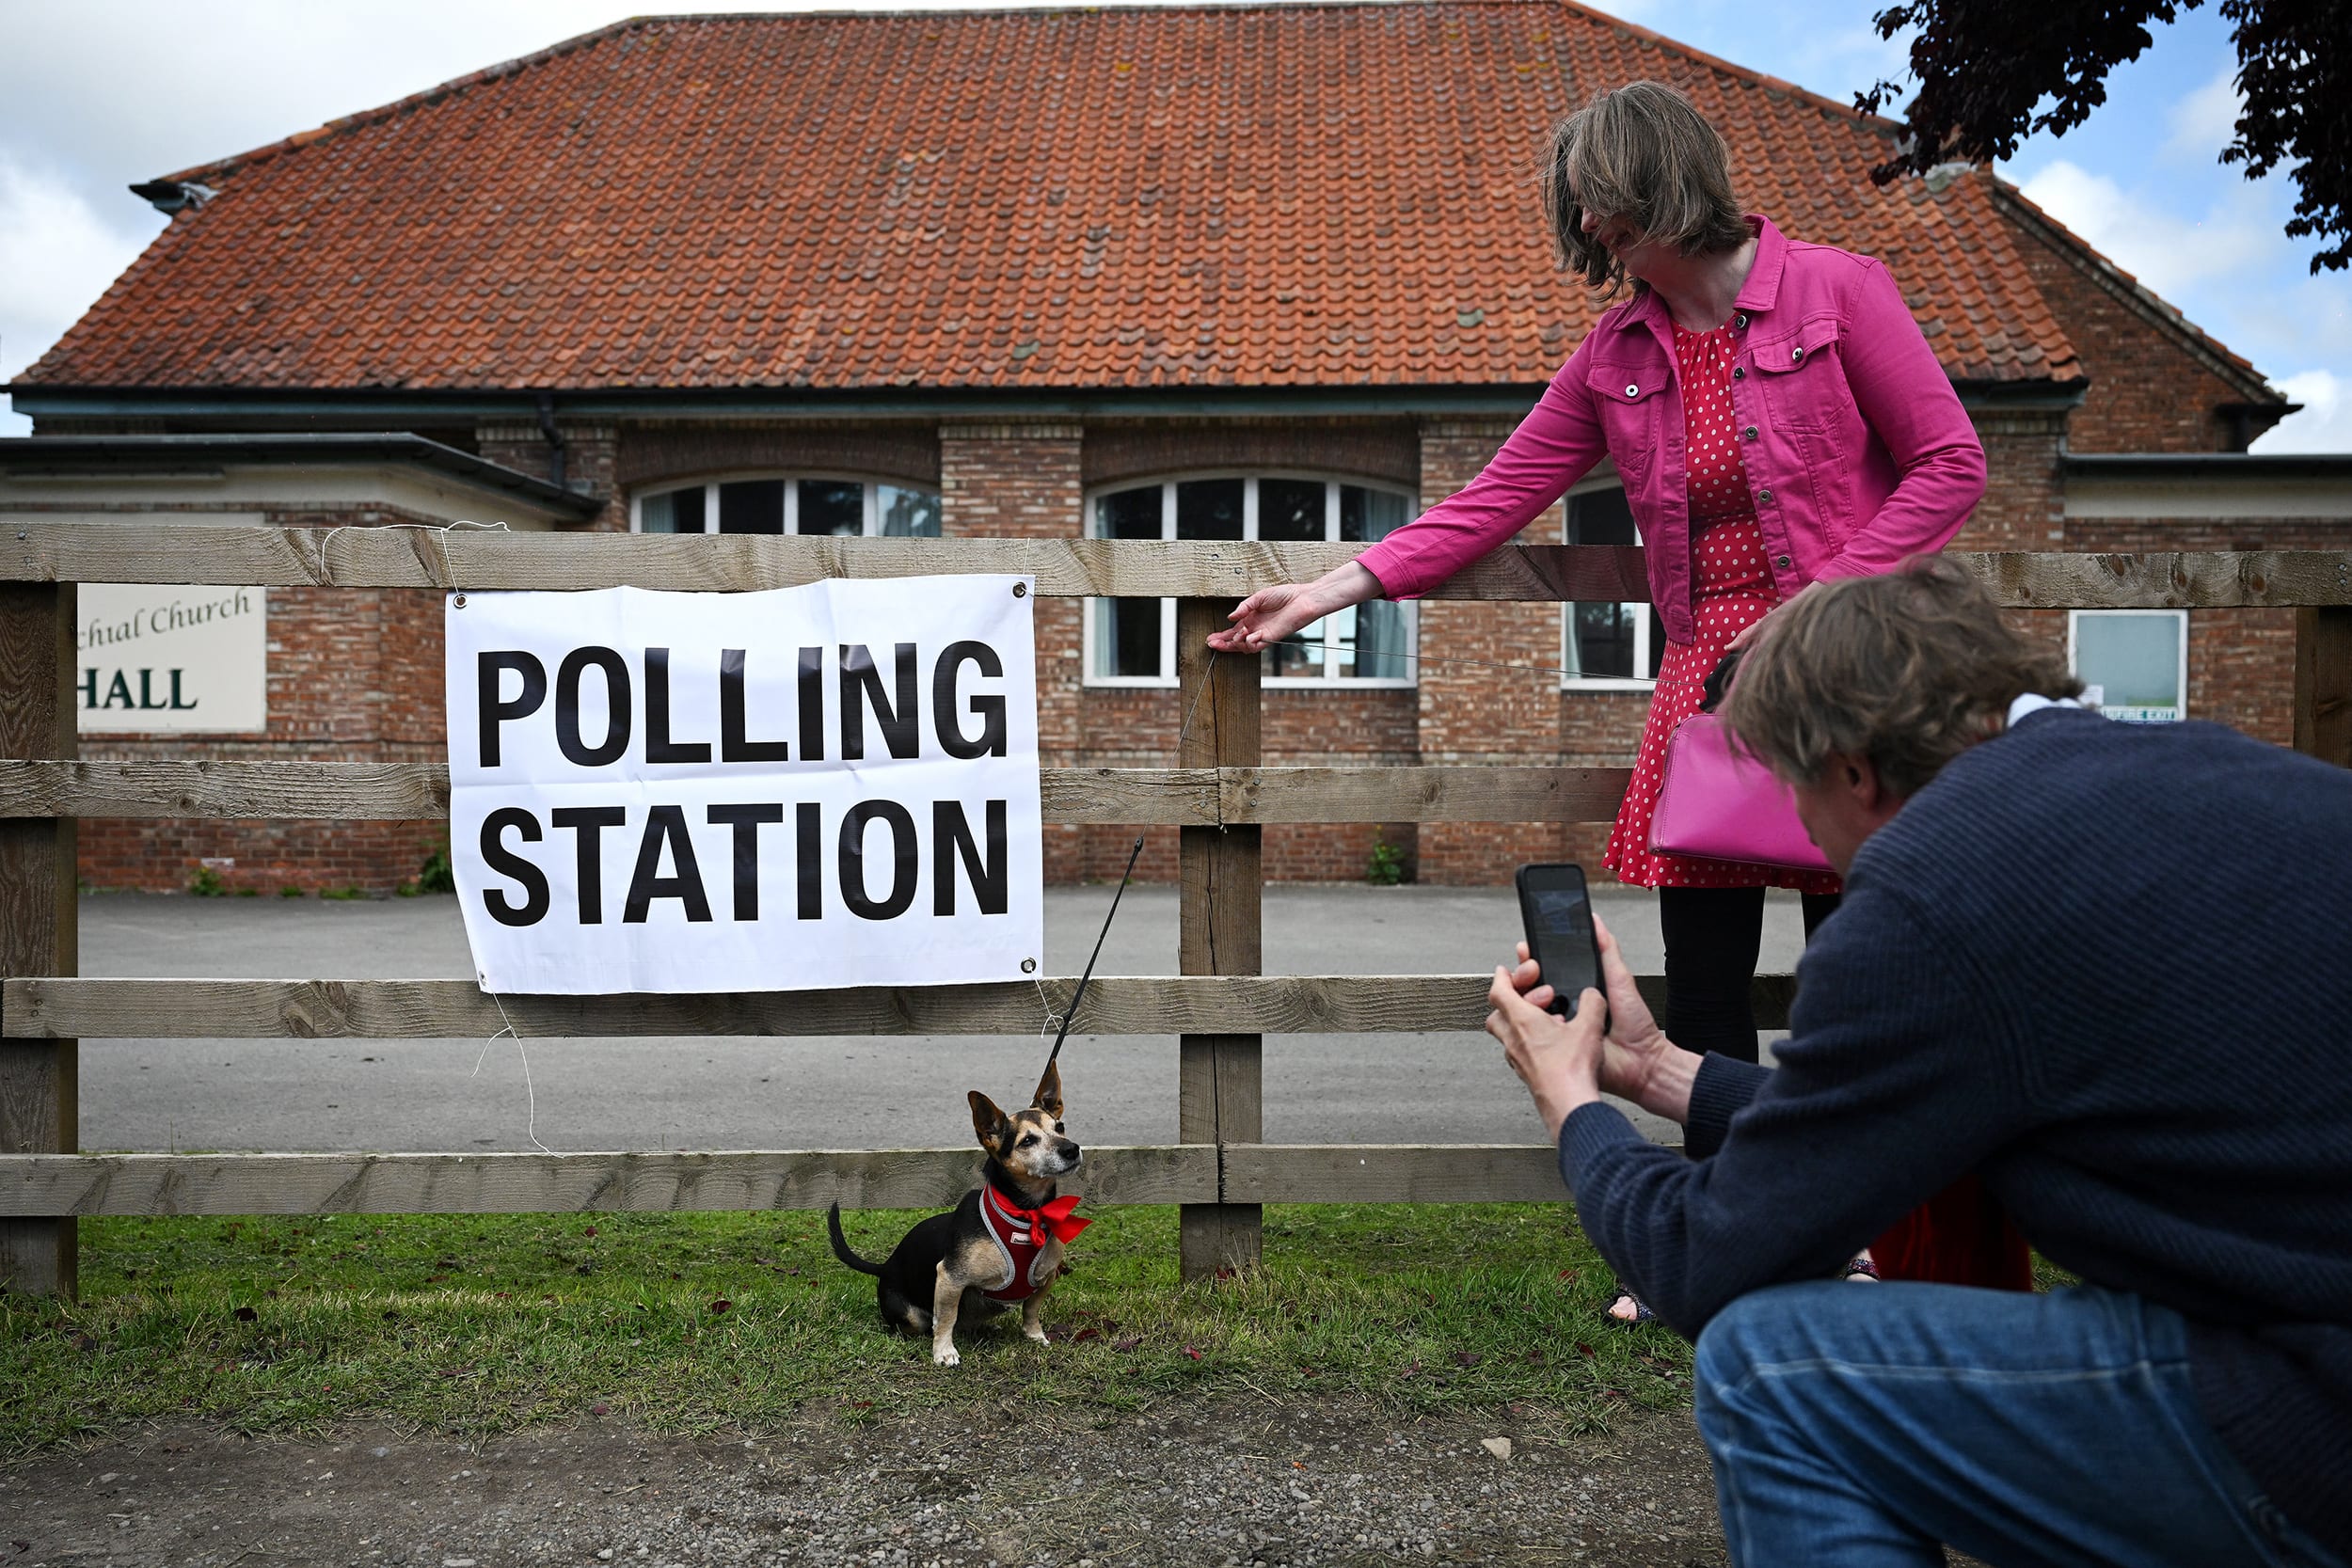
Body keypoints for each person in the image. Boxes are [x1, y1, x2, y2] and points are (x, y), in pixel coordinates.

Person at [1208, 79, 1999, 1318]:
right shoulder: (1616, 355)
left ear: (1660, 179)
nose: (1586, 222)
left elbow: (1951, 464)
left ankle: (1868, 1235)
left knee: (1858, 981)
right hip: (1710, 701)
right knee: (1707, 981)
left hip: (1852, 681)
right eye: (1577, 206)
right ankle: (1733, 1239)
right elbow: (1493, 497)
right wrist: (1330, 589)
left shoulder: (1841, 291)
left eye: (1600, 195)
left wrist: (1817, 602)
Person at [1485, 557, 2352, 1568]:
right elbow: (1893, 1118)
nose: (1802, 834)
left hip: (2313, 1415)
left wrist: (1573, 1103)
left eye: (1792, 791)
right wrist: (1657, 1066)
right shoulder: (2234, 771)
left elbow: (1702, 1261)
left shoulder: (1936, 891)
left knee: (1773, 1371)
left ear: (1854, 769)